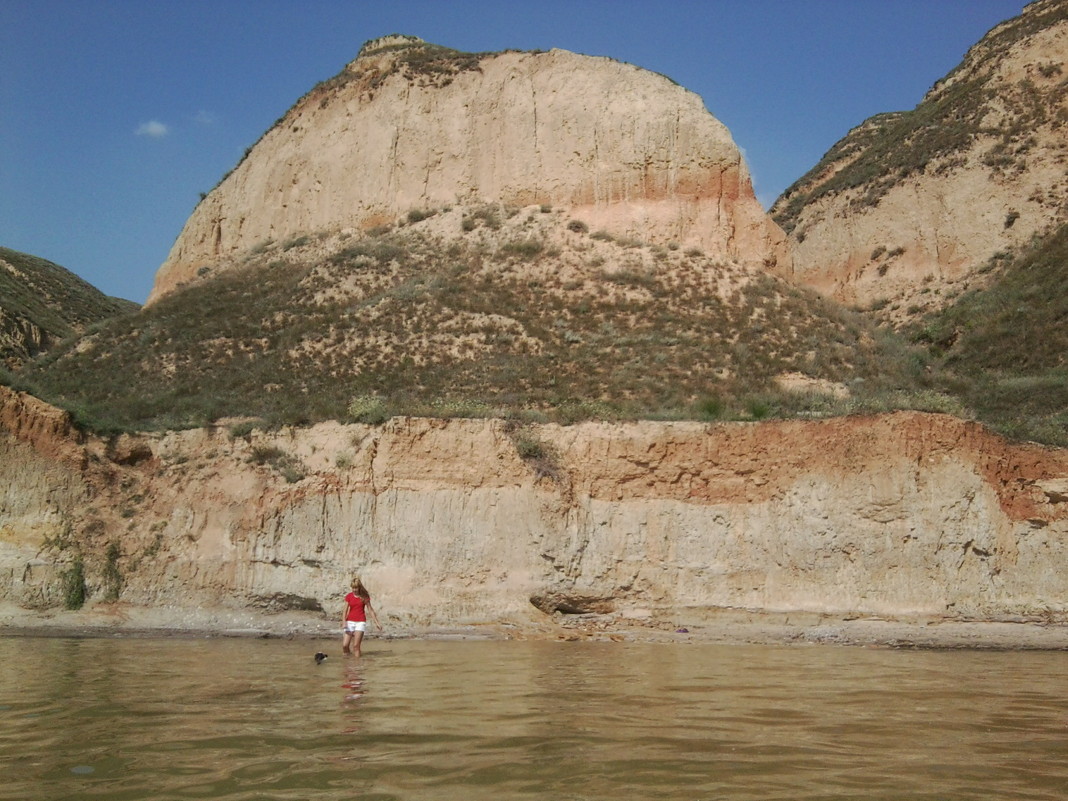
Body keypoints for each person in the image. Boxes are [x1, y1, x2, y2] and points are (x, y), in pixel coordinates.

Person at [341, 575, 381, 656]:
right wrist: (343, 621)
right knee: (345, 645)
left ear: (359, 588)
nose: (354, 590)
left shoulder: (364, 597)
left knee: (356, 646)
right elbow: (345, 610)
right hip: (350, 622)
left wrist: (377, 623)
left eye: (356, 588)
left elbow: (370, 610)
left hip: (360, 622)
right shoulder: (349, 596)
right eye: (353, 588)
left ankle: (357, 666)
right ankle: (347, 662)